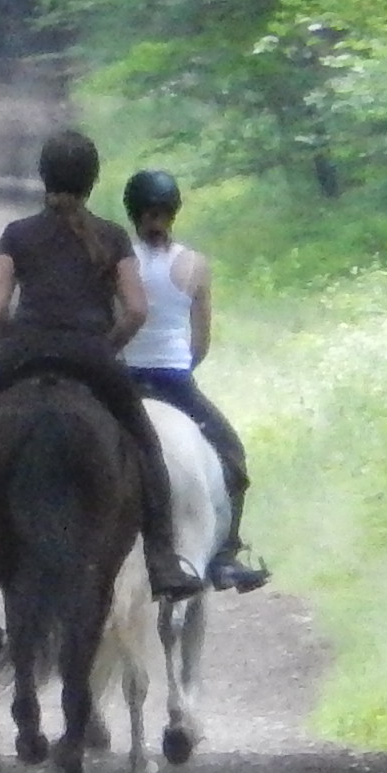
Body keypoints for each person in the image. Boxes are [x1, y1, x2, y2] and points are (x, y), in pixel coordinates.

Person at [0, 131, 204, 607]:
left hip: (24, 350)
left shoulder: (17, 233)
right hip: (91, 353)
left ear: (43, 176)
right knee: (144, 441)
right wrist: (105, 348)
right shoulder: (111, 236)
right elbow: (135, 310)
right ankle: (163, 557)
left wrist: (16, 349)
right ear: (92, 180)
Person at [120, 167, 268, 592]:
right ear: (174, 212)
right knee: (232, 457)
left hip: (124, 381)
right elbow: (200, 343)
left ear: (133, 213)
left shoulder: (121, 262)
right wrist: (181, 366)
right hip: (175, 382)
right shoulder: (195, 265)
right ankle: (224, 556)